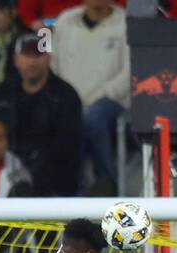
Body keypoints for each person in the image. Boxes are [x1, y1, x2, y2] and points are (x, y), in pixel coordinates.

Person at [0, 34, 83, 196]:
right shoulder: (3, 93)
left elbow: (67, 151)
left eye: (38, 55)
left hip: (52, 187)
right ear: (16, 60)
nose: (32, 62)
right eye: (27, 55)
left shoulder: (65, 96)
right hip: (5, 179)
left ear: (48, 58)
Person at [50, 0, 129, 193]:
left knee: (93, 118)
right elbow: (53, 63)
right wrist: (66, 98)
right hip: (69, 102)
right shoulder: (64, 21)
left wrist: (95, 98)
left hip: (112, 104)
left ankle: (107, 186)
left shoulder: (126, 22)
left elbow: (129, 73)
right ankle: (62, 193)